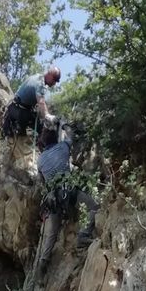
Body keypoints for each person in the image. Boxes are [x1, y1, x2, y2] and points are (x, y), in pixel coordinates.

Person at [35, 119, 99, 277]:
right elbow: (71, 135)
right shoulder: (63, 147)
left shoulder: (40, 160)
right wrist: (63, 124)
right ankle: (83, 236)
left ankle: (43, 262)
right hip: (69, 192)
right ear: (55, 139)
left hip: (53, 199)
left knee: (52, 232)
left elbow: (42, 181)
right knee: (93, 207)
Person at [1, 66, 61, 138]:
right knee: (42, 130)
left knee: (39, 124)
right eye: (54, 80)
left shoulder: (37, 76)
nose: (54, 83)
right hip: (20, 111)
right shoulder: (40, 84)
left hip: (14, 107)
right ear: (50, 75)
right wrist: (47, 116)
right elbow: (41, 102)